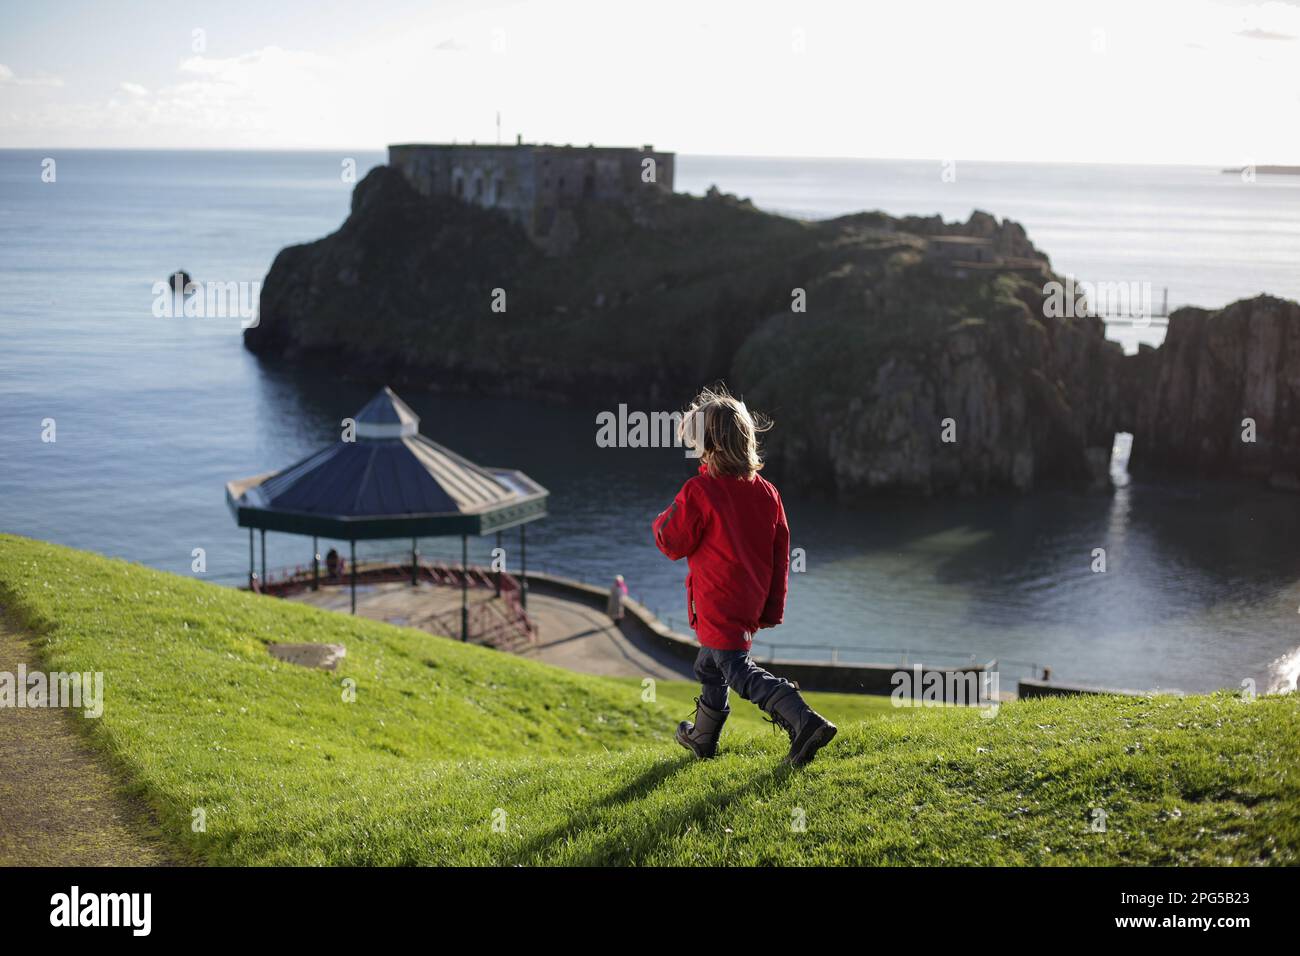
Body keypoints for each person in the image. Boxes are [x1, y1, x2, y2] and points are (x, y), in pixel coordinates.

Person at [652, 386, 836, 767]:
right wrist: (770, 608)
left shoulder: (700, 491)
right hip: (747, 599)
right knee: (709, 665)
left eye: (696, 442)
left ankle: (804, 721)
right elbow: (780, 556)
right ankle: (703, 738)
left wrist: (667, 514)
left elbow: (670, 541)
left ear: (710, 445)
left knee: (735, 669)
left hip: (718, 600)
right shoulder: (768, 493)